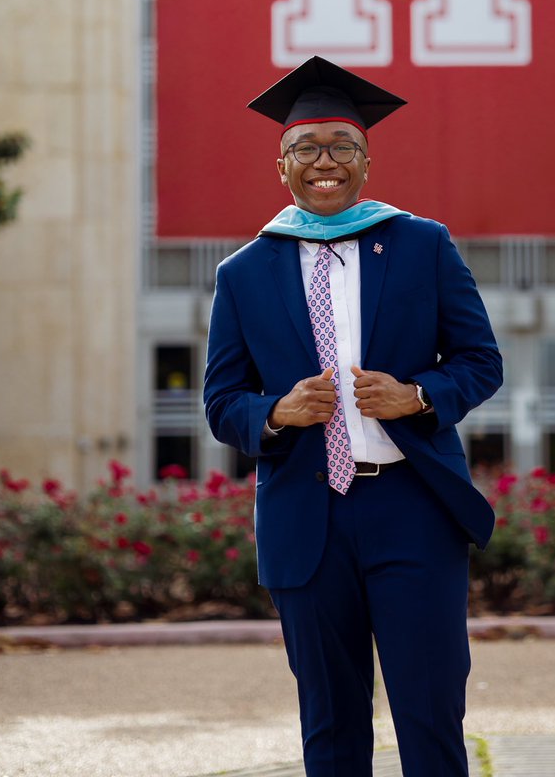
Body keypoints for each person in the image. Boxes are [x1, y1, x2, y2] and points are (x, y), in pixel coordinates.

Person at [204, 55, 503, 777]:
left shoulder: (421, 244)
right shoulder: (243, 272)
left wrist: (419, 396)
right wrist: (274, 411)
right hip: (307, 515)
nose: (324, 161)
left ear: (367, 159)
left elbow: (480, 361)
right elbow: (221, 403)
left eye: (341, 145)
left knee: (429, 713)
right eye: (306, 148)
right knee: (331, 723)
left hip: (412, 507)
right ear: (282, 166)